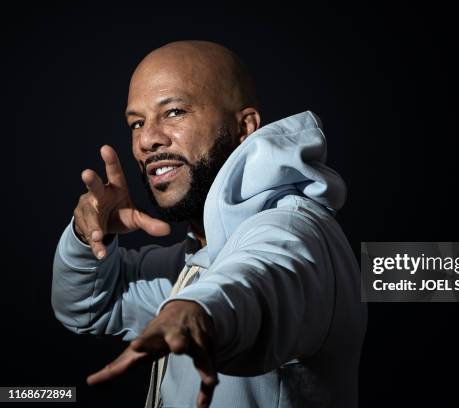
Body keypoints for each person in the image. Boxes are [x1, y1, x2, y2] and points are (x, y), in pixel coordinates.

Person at [51, 40, 367, 408]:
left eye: (173, 112)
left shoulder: (297, 230)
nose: (147, 140)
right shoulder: (195, 261)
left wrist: (197, 311)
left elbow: (262, 277)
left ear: (244, 127)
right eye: (137, 123)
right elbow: (89, 308)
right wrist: (88, 235)